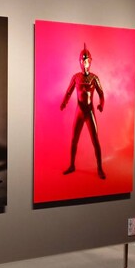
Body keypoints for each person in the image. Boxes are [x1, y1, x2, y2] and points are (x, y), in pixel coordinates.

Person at [60, 43, 105, 179]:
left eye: (86, 61)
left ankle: (100, 168)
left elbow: (101, 93)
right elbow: (68, 92)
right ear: (79, 61)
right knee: (74, 139)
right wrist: (64, 102)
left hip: (90, 111)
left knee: (95, 140)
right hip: (79, 111)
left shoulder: (94, 78)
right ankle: (72, 165)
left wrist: (101, 104)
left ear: (90, 61)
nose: (84, 63)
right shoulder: (76, 77)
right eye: (82, 60)